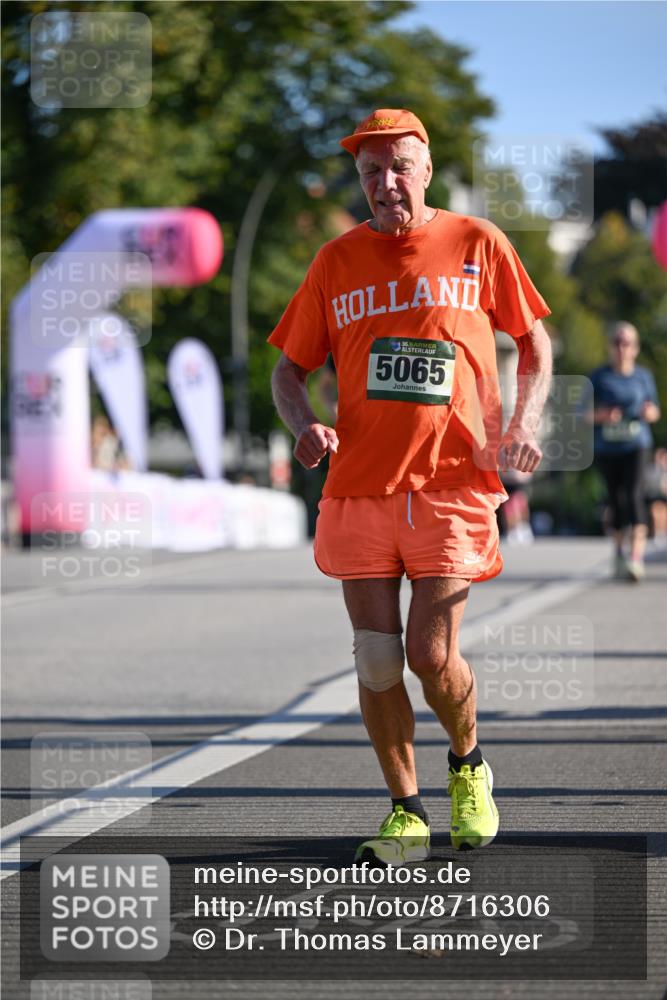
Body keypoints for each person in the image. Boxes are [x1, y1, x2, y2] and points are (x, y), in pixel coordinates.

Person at [269, 109, 552, 863]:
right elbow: (286, 370)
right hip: (358, 485)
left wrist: (526, 418)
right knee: (374, 659)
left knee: (430, 654)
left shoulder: (475, 243)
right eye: (370, 172)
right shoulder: (335, 261)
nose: (384, 183)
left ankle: (468, 764)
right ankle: (405, 810)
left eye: (398, 167)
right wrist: (303, 424)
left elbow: (532, 340)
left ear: (425, 168)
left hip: (453, 482)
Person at [588, 322, 660, 581]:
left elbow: (655, 411)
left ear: (635, 348)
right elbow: (581, 413)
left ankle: (635, 557)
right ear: (610, 346)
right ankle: (619, 550)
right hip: (608, 447)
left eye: (627, 342)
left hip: (637, 445)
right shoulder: (599, 376)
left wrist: (647, 413)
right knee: (616, 499)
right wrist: (602, 416)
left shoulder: (643, 377)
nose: (621, 348)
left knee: (634, 495)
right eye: (617, 342)